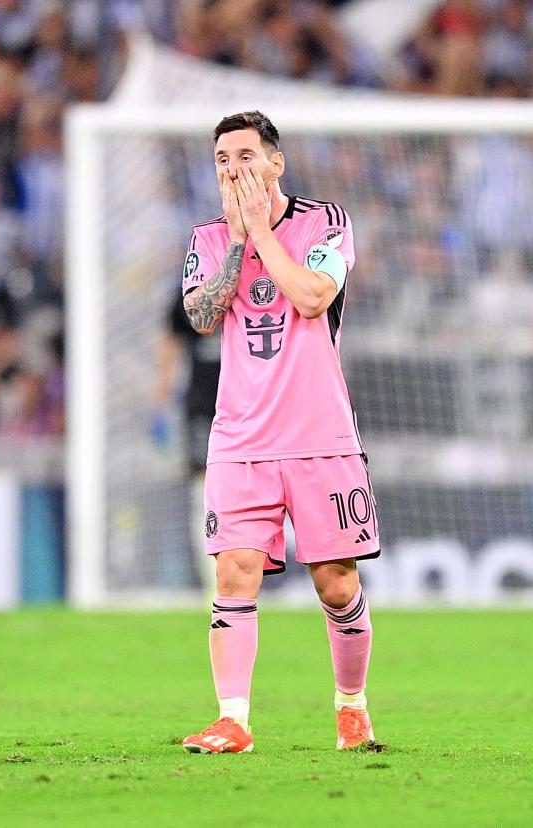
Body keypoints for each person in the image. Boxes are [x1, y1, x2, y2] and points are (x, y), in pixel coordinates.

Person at [179, 111, 381, 754]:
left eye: (244, 156)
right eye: (221, 160)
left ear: (275, 163)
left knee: (336, 582)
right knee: (234, 573)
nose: (232, 169)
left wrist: (262, 232)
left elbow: (313, 297)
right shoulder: (208, 238)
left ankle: (351, 708)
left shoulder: (326, 222)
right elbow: (202, 316)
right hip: (241, 438)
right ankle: (232, 719)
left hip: (321, 434)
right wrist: (239, 241)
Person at [151, 288, 221, 594]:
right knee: (203, 494)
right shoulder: (192, 285)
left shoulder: (257, 275)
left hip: (251, 404)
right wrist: (161, 399)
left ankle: (251, 577)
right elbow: (172, 340)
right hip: (204, 407)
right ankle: (214, 582)